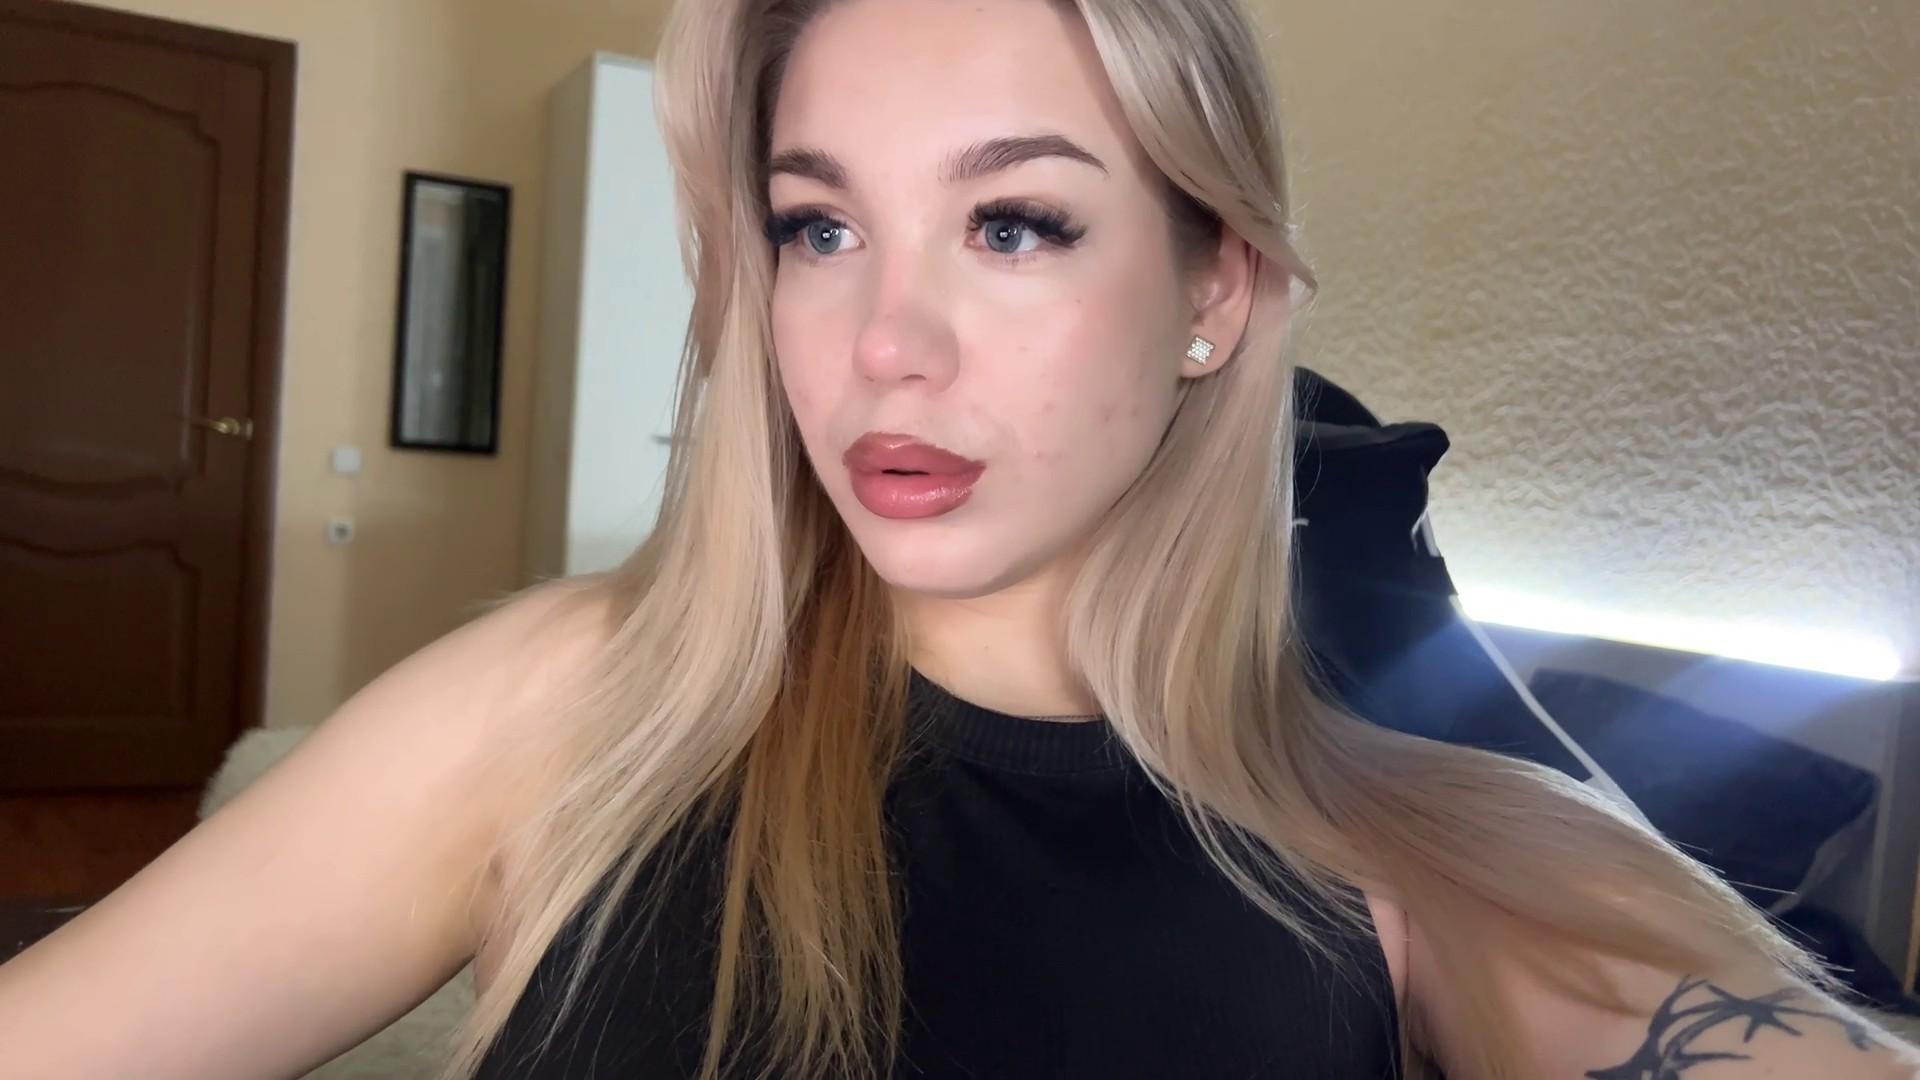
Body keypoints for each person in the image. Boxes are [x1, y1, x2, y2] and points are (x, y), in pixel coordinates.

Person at [3, 0, 1917, 1076]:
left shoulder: (1424, 854)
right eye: (819, 227)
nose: (882, 345)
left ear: (1214, 292)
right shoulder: (571, 710)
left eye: (1014, 225)